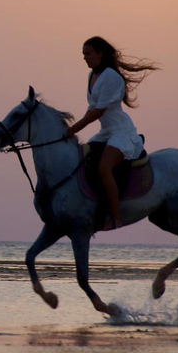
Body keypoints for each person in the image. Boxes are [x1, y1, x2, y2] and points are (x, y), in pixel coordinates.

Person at [66, 36, 159, 230]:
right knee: (82, 158)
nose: (84, 58)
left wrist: (73, 129)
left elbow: (99, 111)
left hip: (121, 132)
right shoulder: (91, 76)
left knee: (104, 168)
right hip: (105, 132)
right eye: (83, 54)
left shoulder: (111, 77)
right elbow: (91, 109)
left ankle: (116, 217)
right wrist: (74, 128)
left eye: (88, 54)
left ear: (100, 54)